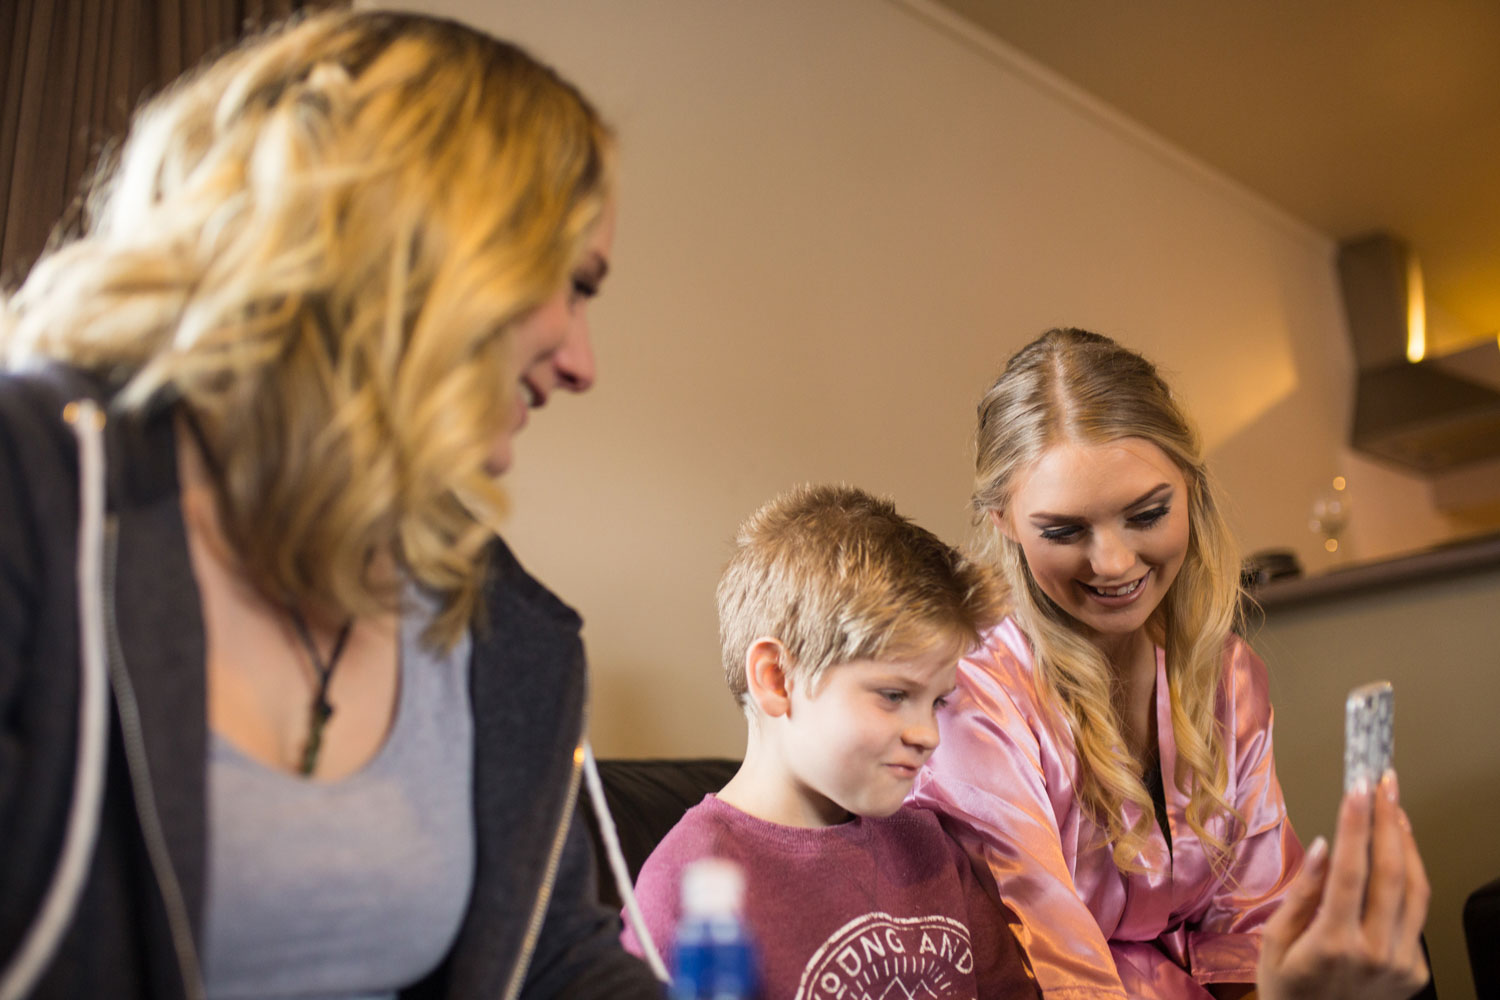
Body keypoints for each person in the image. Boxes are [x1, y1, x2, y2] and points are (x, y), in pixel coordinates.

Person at [0, 10, 662, 999]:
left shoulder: (502, 629)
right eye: (572, 285)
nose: (582, 363)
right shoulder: (34, 486)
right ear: (414, 242)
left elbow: (553, 958)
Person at [913, 328, 1431, 1000]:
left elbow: (1253, 923)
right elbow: (1055, 973)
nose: (1115, 563)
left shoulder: (1226, 675)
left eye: (1148, 513)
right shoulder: (973, 698)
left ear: (1190, 486)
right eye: (1064, 531)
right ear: (1003, 520)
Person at [622, 484, 1041, 1000]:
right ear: (776, 679)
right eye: (893, 695)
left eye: (936, 702)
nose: (928, 735)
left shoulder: (929, 847)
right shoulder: (689, 888)